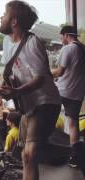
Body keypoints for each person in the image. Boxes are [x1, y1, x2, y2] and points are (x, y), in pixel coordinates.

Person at [0, 1, 61, 180]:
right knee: (27, 156)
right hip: (28, 105)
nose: (1, 17)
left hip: (46, 102)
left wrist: (16, 91)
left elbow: (40, 78)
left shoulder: (33, 43)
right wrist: (6, 88)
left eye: (4, 13)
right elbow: (14, 73)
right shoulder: (6, 42)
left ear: (14, 21)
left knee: (30, 153)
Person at [52, 25, 85, 168]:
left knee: (48, 116)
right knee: (73, 125)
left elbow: (59, 72)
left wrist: (43, 74)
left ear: (66, 35)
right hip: (77, 93)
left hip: (63, 91)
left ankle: (46, 148)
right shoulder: (83, 49)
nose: (61, 40)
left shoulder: (68, 48)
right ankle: (75, 157)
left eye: (61, 37)